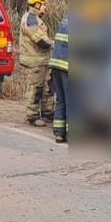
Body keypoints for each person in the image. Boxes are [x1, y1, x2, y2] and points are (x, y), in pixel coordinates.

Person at [19, 0, 54, 127]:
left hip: (42, 60)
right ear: (37, 5)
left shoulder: (35, 18)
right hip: (35, 61)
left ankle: (47, 113)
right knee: (36, 88)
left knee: (47, 87)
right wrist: (56, 44)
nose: (45, 7)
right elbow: (41, 42)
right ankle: (33, 116)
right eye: (43, 4)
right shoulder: (31, 20)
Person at [49, 15, 69, 143]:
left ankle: (59, 133)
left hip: (56, 64)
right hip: (68, 65)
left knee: (61, 98)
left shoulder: (66, 19)